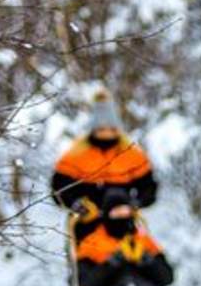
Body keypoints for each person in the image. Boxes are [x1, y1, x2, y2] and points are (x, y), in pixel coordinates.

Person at [74, 188, 177, 286]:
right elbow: (86, 285)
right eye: (116, 211)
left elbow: (167, 278)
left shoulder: (144, 240)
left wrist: (150, 262)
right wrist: (110, 264)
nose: (122, 214)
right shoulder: (92, 243)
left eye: (124, 209)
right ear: (107, 214)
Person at [51, 89, 157, 217]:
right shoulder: (76, 154)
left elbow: (148, 186)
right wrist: (75, 205)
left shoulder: (131, 153)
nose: (106, 133)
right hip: (86, 218)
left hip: (122, 216)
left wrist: (135, 204)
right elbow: (59, 187)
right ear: (93, 129)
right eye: (101, 129)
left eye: (111, 129)